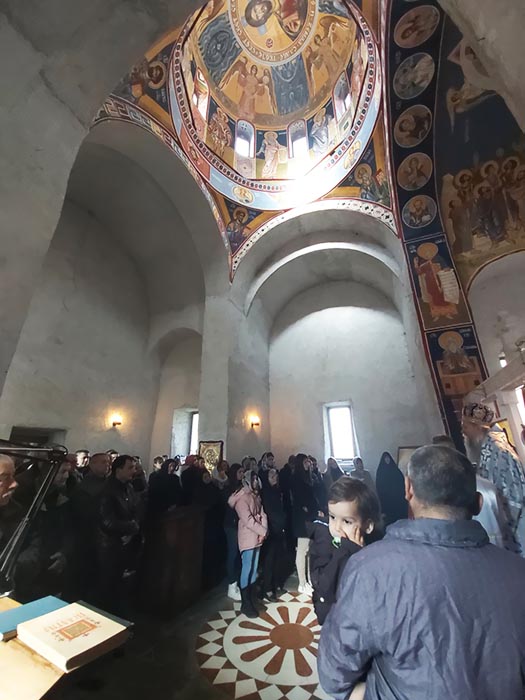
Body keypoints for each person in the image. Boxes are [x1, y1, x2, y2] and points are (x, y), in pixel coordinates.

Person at [318, 445, 525, 700]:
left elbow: (334, 673)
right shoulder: (519, 571)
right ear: (478, 503)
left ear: (408, 489)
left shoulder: (372, 568)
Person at [310, 477, 380, 625]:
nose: (337, 527)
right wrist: (344, 551)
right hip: (332, 620)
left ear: (368, 526)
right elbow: (323, 584)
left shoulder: (375, 550)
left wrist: (356, 554)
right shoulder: (323, 542)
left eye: (347, 521)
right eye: (332, 517)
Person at [462, 402, 525, 555]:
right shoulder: (487, 450)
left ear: (477, 427)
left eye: (465, 426)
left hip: (515, 536)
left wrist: (498, 530)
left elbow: (516, 498)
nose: (463, 431)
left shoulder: (500, 453)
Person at [97, 455, 141, 613]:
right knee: (109, 586)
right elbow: (107, 521)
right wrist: (130, 528)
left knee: (123, 585)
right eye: (130, 468)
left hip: (126, 542)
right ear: (118, 469)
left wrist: (133, 529)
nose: (134, 471)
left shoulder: (129, 487)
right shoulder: (107, 490)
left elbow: (136, 509)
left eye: (134, 467)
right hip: (110, 545)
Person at [70, 452, 110, 599]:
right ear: (92, 465)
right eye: (103, 462)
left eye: (108, 462)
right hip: (89, 536)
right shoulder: (85, 486)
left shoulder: (110, 482)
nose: (107, 465)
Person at [228, 470, 268, 618]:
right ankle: (245, 602)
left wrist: (263, 531)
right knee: (247, 567)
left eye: (257, 479)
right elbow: (248, 520)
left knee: (254, 567)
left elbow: (262, 513)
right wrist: (262, 531)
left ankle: (251, 597)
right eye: (254, 479)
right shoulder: (242, 498)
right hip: (247, 535)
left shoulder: (255, 495)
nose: (256, 481)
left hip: (258, 535)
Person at [291, 454, 320, 595]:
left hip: (309, 517)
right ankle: (302, 583)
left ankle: (308, 580)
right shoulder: (296, 478)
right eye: (305, 462)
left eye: (309, 461)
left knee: (308, 551)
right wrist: (308, 510)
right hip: (302, 519)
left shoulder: (307, 478)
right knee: (302, 550)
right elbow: (300, 499)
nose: (308, 464)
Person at [261, 468, 287, 602]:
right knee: (269, 560)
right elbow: (269, 512)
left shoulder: (277, 490)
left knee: (278, 558)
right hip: (271, 530)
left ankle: (276, 584)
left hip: (279, 528)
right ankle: (267, 589)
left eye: (275, 475)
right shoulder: (266, 492)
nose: (274, 477)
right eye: (271, 475)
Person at [224, 463, 244, 601]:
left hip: (239, 524)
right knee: (232, 553)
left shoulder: (240, 487)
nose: (242, 475)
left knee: (237, 554)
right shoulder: (229, 488)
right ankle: (231, 584)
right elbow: (231, 504)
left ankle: (237, 581)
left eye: (243, 472)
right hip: (231, 524)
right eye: (239, 472)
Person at [375, 452, 408, 526]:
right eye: (385, 459)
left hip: (397, 498)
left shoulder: (395, 470)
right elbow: (379, 485)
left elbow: (401, 482)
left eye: (388, 459)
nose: (387, 461)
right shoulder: (381, 471)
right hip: (387, 499)